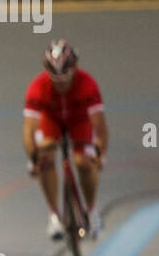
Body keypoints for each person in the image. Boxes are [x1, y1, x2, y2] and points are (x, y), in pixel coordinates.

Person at [23, 40, 107, 240]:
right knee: (45, 159)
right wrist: (34, 158)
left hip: (79, 122)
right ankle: (54, 216)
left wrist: (100, 153)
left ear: (74, 69)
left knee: (84, 164)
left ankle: (91, 210)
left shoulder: (88, 84)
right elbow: (29, 129)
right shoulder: (37, 86)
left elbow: (100, 127)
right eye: (55, 77)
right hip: (51, 121)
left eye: (65, 77)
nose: (60, 82)